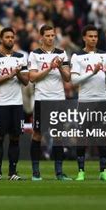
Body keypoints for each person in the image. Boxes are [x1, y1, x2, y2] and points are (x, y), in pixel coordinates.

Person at [70, 25, 106, 181]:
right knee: (82, 137)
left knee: (101, 137)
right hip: (85, 101)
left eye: (95, 36)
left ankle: (103, 171)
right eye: (90, 36)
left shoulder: (105, 55)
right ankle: (81, 171)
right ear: (84, 38)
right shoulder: (77, 56)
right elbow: (74, 80)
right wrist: (92, 72)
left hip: (101, 100)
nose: (93, 39)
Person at [28, 25, 71, 181]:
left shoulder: (61, 54)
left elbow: (67, 78)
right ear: (41, 37)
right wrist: (48, 68)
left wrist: (59, 67)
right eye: (47, 35)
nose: (50, 38)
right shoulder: (35, 55)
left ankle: (59, 172)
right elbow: (32, 78)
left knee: (59, 135)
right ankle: (36, 172)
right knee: (38, 134)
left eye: (53, 35)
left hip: (58, 99)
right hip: (42, 99)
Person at [0, 27, 29, 180]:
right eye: (7, 37)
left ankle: (12, 172)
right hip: (0, 103)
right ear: (1, 39)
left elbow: (26, 81)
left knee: (15, 138)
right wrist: (10, 74)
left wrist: (18, 73)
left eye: (12, 37)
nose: (10, 40)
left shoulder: (20, 57)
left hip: (16, 103)